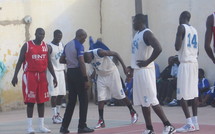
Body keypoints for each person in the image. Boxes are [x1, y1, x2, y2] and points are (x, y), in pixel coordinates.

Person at [131, 13, 176, 134]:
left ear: (140, 21)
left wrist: (147, 62)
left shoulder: (147, 33)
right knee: (143, 102)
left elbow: (159, 48)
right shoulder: (137, 34)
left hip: (145, 71)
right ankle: (149, 128)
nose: (133, 23)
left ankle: (168, 125)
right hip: (138, 71)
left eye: (134, 21)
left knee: (151, 100)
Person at [11, 28, 57, 134]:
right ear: (35, 34)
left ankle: (41, 126)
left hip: (42, 76)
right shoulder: (27, 45)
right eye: (40, 34)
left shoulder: (45, 46)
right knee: (30, 102)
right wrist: (15, 76)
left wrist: (54, 76)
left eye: (43, 34)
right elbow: (19, 61)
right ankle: (30, 127)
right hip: (30, 76)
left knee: (41, 101)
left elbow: (49, 63)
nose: (42, 35)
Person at [84, 48, 138, 129]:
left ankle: (133, 112)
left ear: (91, 56)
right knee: (100, 98)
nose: (89, 62)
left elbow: (115, 53)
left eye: (89, 61)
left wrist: (124, 68)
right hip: (101, 76)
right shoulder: (87, 57)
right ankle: (101, 120)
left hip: (112, 73)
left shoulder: (99, 52)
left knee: (120, 95)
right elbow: (95, 65)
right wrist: (93, 73)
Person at [59, 29, 94, 134]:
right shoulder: (79, 45)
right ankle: (82, 126)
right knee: (83, 100)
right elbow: (82, 62)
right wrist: (85, 79)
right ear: (80, 36)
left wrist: (70, 61)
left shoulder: (67, 45)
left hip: (70, 72)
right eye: (84, 37)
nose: (85, 40)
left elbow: (61, 60)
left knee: (71, 102)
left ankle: (64, 127)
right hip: (78, 73)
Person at [174, 11, 199, 132]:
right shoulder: (194, 30)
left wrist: (178, 36)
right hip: (194, 63)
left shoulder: (181, 27)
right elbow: (197, 52)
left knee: (181, 95)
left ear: (182, 17)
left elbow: (177, 47)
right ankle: (195, 122)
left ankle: (189, 123)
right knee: (194, 94)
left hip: (185, 64)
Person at [46, 30, 66, 124]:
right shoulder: (49, 47)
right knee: (54, 94)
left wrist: (65, 72)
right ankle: (54, 116)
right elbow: (48, 62)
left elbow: (64, 58)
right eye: (58, 36)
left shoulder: (61, 44)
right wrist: (53, 76)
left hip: (61, 71)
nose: (59, 38)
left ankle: (58, 114)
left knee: (61, 94)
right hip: (52, 72)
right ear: (54, 36)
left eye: (60, 36)